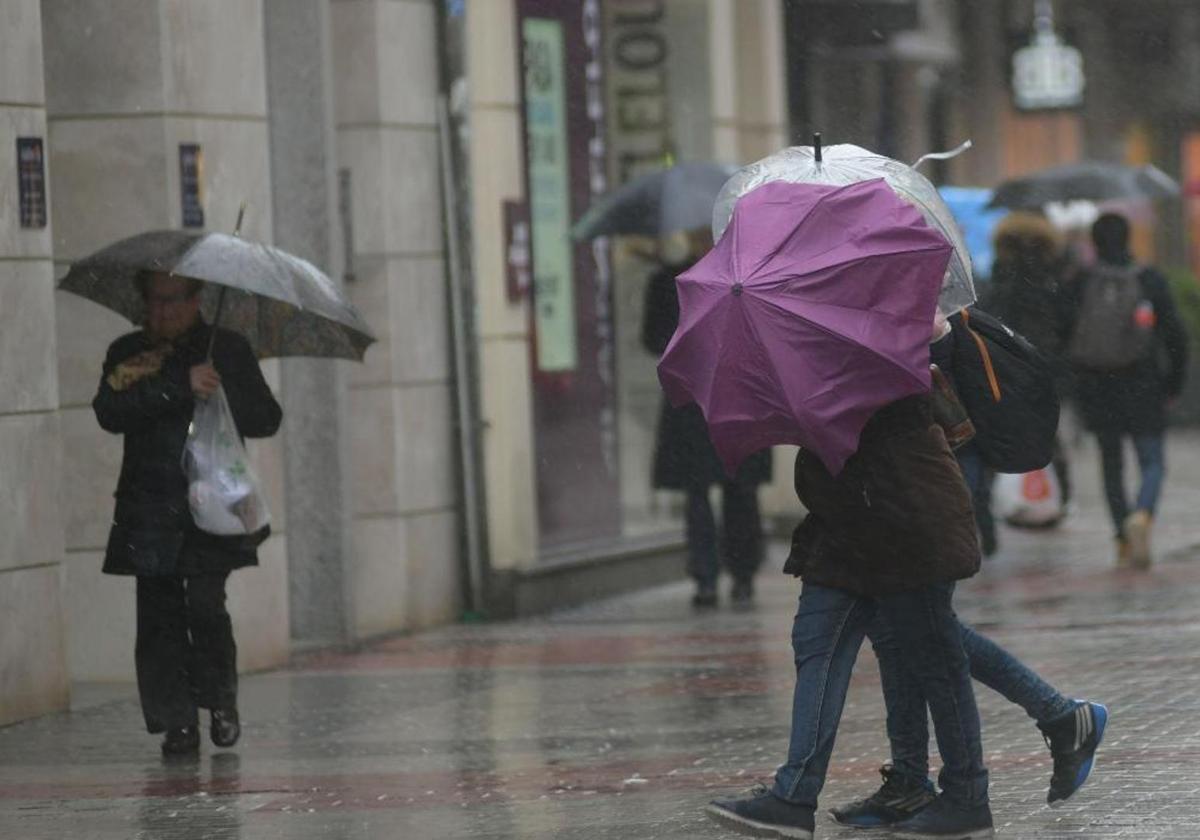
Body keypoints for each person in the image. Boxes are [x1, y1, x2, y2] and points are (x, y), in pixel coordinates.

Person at [827, 322, 1107, 831]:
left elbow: (918, 377)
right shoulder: (874, 292)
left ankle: (985, 777)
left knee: (927, 630)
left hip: (927, 479)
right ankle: (912, 781)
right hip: (898, 479)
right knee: (898, 629)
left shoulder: (911, 293)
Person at [707, 346, 994, 837]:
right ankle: (798, 793)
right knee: (826, 644)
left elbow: (872, 422)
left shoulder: (882, 335)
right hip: (850, 524)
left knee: (937, 653)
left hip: (901, 523)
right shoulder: (825, 336)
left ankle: (969, 790)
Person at [93, 271, 282, 756]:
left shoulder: (228, 348)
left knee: (205, 605)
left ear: (196, 301)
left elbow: (267, 419)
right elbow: (110, 411)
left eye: (172, 301)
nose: (162, 312)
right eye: (154, 302)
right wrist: (179, 383)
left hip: (212, 503)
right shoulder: (128, 353)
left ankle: (220, 702)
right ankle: (175, 720)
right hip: (149, 503)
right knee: (158, 614)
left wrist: (222, 390)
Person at [642, 230, 771, 607]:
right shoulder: (744, 277)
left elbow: (652, 339)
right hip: (733, 394)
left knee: (712, 491)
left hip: (699, 393)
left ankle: (710, 577)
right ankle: (737, 575)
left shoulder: (671, 281)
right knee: (732, 490)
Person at [1064, 213, 1188, 568]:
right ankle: (1143, 514)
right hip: (1144, 383)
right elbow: (1175, 336)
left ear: (1095, 241)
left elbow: (1064, 334)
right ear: (1129, 237)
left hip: (1098, 386)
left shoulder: (1080, 281)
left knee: (1111, 464)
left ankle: (1121, 537)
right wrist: (1172, 384)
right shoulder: (1149, 279)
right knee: (1152, 461)